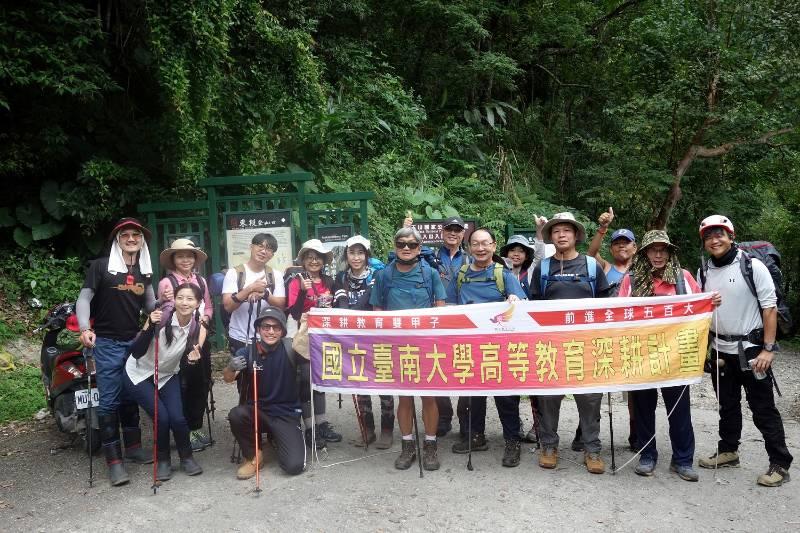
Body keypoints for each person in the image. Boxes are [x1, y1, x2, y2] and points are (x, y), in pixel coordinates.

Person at [696, 215, 792, 487]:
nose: (715, 240)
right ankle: (729, 450)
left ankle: (780, 463)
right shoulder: (705, 270)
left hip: (751, 350)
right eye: (709, 236)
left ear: (731, 235)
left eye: (720, 234)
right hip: (720, 350)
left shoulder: (752, 266)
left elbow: (769, 308)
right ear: (704, 242)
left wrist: (768, 349)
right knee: (727, 405)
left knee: (763, 408)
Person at [617, 230, 708, 482]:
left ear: (670, 252)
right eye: (653, 250)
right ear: (645, 253)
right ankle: (647, 456)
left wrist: (712, 303)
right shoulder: (632, 280)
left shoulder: (683, 278)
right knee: (644, 408)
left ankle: (683, 460)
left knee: (679, 410)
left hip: (675, 355)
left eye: (663, 249)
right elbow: (619, 312)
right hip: (641, 354)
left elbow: (699, 309)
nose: (658, 254)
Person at [77, 217, 158, 486]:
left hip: (133, 342)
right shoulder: (101, 267)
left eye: (136, 235)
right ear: (117, 239)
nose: (132, 238)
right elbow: (84, 298)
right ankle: (114, 461)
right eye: (126, 235)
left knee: (130, 394)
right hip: (107, 343)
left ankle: (133, 449)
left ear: (142, 240)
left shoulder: (145, 272)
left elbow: (149, 305)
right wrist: (85, 327)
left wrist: (172, 300)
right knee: (110, 399)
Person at [528, 212, 611, 474]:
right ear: (550, 237)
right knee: (549, 398)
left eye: (567, 230)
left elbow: (607, 305)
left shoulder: (590, 266)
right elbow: (533, 307)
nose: (561, 235)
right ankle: (549, 446)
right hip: (551, 345)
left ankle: (592, 449)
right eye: (556, 231)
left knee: (589, 398)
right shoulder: (541, 268)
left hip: (587, 345)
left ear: (576, 236)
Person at [370, 227, 447, 471]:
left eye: (412, 245)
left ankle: (431, 444)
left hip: (426, 345)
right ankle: (407, 445)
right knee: (404, 396)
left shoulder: (431, 274)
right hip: (396, 345)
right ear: (394, 247)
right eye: (401, 244)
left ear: (419, 248)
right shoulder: (383, 275)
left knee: (428, 395)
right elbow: (377, 311)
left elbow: (441, 309)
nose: (406, 248)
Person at [449, 228, 527, 467]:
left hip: (501, 348)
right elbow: (451, 306)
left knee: (506, 397)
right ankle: (475, 435)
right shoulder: (461, 274)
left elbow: (523, 306)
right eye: (475, 244)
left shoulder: (504, 275)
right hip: (470, 347)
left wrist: (515, 301)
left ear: (494, 246)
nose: (480, 248)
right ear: (469, 247)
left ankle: (512, 441)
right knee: (472, 395)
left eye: (485, 243)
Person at [123, 284, 205, 480]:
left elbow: (188, 358)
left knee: (177, 418)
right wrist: (150, 325)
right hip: (139, 373)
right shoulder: (160, 317)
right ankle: (163, 461)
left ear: (198, 303)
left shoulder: (196, 327)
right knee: (162, 418)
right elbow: (136, 351)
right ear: (174, 299)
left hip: (167, 374)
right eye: (181, 297)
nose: (184, 302)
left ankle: (186, 457)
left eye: (190, 299)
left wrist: (193, 359)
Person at [403, 214, 471, 437]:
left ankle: (465, 417)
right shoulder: (427, 256)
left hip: (462, 321)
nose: (453, 233)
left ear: (463, 234)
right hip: (433, 320)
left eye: (457, 230)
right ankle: (443, 416)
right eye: (449, 229)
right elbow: (401, 259)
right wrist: (405, 231)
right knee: (437, 366)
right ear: (442, 232)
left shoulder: (470, 259)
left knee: (462, 367)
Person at [224, 306, 306, 478]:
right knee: (236, 415)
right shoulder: (248, 351)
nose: (270, 331)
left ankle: (276, 437)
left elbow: (310, 350)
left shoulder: (292, 348)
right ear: (258, 329)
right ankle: (254, 456)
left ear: (283, 331)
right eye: (266, 327)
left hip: (286, 414)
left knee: (294, 466)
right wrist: (231, 367)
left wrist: (307, 324)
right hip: (258, 411)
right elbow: (228, 378)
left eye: (276, 328)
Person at [333, 235, 394, 450]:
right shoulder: (341, 277)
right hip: (352, 339)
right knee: (359, 383)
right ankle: (367, 430)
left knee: (384, 381)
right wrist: (347, 316)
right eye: (352, 253)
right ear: (346, 255)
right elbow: (339, 303)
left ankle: (387, 430)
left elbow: (368, 299)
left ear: (367, 255)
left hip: (377, 337)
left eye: (360, 253)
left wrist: (349, 316)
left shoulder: (377, 275)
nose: (356, 257)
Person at [585, 209, 638, 451]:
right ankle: (584, 432)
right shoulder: (605, 268)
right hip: (605, 337)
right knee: (595, 388)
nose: (621, 248)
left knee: (634, 391)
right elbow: (590, 254)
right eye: (617, 244)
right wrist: (602, 229)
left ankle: (636, 432)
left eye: (626, 244)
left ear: (635, 247)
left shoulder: (643, 271)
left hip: (633, 337)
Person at [499, 216, 553, 444]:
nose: (516, 254)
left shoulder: (532, 272)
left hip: (531, 333)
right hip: (504, 334)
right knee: (509, 383)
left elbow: (540, 253)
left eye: (521, 250)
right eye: (512, 250)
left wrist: (540, 232)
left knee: (533, 381)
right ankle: (515, 425)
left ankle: (538, 425)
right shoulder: (499, 273)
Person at [157, 238, 213, 452]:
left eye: (189, 256)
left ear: (195, 259)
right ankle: (182, 430)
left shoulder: (201, 281)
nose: (185, 259)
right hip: (177, 341)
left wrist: (204, 322)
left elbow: (207, 307)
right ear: (173, 259)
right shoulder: (167, 283)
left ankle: (195, 427)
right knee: (180, 385)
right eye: (180, 256)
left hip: (199, 339)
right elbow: (163, 313)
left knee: (201, 383)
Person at [285, 239, 342, 448]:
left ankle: (322, 424)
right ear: (304, 260)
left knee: (321, 381)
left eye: (318, 257)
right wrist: (301, 290)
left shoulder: (329, 281)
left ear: (324, 260)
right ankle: (309, 428)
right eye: (309, 257)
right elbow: (294, 312)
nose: (314, 260)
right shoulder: (296, 281)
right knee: (306, 380)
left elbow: (337, 307)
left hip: (326, 338)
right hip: (305, 337)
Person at [222, 232, 287, 356]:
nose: (263, 251)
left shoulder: (276, 275)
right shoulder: (234, 273)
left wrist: (265, 294)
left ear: (272, 255)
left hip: (268, 338)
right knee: (241, 374)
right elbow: (228, 306)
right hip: (239, 336)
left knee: (267, 375)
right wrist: (249, 289)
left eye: (268, 249)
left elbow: (281, 306)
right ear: (251, 247)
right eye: (260, 246)